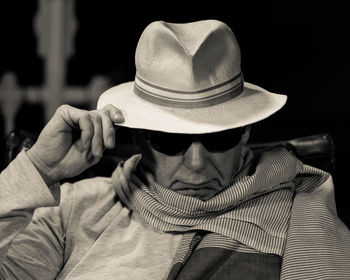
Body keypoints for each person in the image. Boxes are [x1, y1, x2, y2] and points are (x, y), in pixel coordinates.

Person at [1, 20, 349, 280]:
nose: (196, 165)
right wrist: (37, 169)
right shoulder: (73, 209)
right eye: (170, 140)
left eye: (218, 138)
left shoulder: (301, 214)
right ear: (138, 136)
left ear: (245, 132)